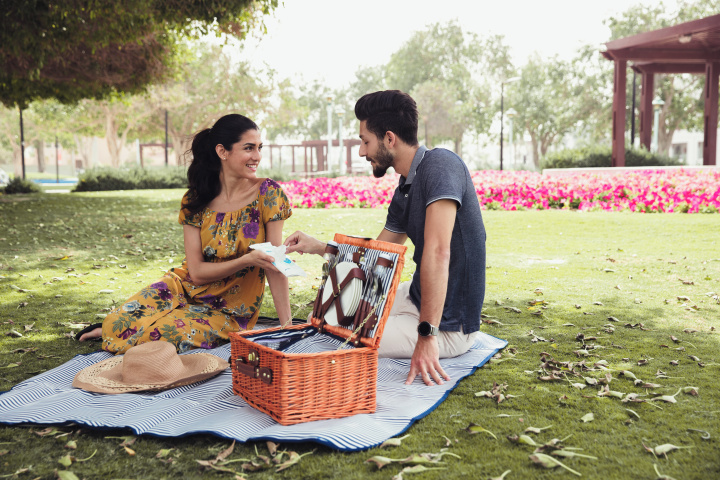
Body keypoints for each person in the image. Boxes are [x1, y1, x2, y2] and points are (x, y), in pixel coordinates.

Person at [284, 90, 486, 387]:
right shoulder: (407, 185)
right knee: (336, 317)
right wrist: (318, 247)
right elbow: (379, 254)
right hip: (414, 296)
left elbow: (438, 252)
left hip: (450, 326)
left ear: (389, 138)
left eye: (365, 141)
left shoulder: (441, 165)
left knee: (340, 337)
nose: (362, 152)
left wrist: (427, 336)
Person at [79, 114, 292, 353]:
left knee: (156, 338)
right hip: (184, 286)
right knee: (118, 324)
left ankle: (139, 329)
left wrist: (288, 326)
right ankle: (113, 330)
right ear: (222, 151)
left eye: (259, 148)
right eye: (249, 148)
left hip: (228, 310)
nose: (257, 156)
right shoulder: (195, 199)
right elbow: (198, 273)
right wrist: (247, 260)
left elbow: (276, 264)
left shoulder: (268, 194)